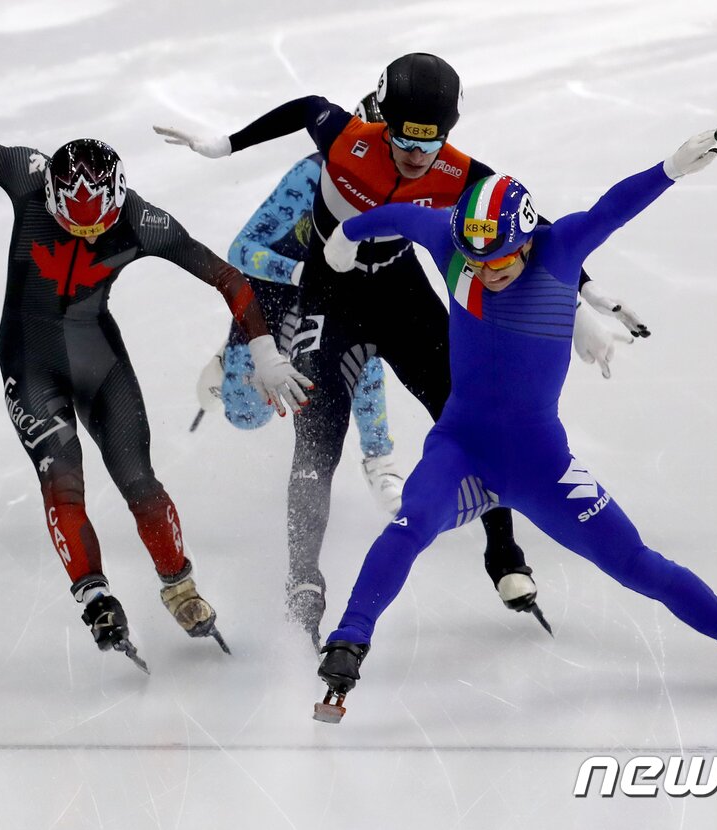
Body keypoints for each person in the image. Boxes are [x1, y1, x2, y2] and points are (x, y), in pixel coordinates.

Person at [312, 124, 717, 718]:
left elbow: (611, 208)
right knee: (410, 525)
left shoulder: (559, 250)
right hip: (459, 448)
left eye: (500, 260)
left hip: (540, 467)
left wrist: (668, 170)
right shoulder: (454, 242)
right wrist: (345, 237)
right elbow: (401, 216)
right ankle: (349, 641)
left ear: (528, 240)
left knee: (639, 566)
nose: (486, 272)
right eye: (475, 261)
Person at [0, 46, 311, 672]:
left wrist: (264, 349)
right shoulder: (27, 176)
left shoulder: (143, 220)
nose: (84, 236)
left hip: (95, 354)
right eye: (71, 225)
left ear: (116, 203)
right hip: (30, 360)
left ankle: (179, 584)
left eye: (96, 228)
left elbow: (229, 278)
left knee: (138, 478)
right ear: (52, 198)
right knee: (62, 478)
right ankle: (95, 594)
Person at [156, 54, 647, 646]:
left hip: (400, 290)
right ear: (383, 120)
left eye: (432, 143)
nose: (418, 158)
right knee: (318, 438)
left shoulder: (465, 171)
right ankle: (302, 578)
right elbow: (304, 107)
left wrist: (585, 296)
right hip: (328, 295)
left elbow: (533, 229)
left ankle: (504, 552)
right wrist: (225, 145)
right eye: (405, 141)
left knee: (469, 418)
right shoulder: (343, 137)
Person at [194, 93, 408, 517]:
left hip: (332, 298)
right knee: (246, 415)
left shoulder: (405, 183)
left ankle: (380, 459)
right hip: (274, 295)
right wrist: (299, 273)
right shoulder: (308, 177)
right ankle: (227, 359)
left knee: (361, 356)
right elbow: (241, 250)